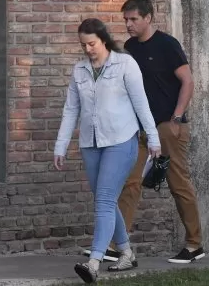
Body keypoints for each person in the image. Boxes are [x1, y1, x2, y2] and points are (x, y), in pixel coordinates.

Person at [54, 18, 162, 283]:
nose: (88, 49)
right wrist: (61, 145)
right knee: (105, 200)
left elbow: (141, 103)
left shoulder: (125, 64)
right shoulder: (79, 70)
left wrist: (154, 138)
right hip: (90, 144)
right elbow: (71, 110)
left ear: (103, 39)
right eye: (84, 45)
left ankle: (94, 261)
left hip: (121, 140)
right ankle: (126, 252)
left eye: (92, 43)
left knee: (103, 199)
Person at [104, 0, 204, 264]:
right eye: (126, 19)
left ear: (148, 18)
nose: (128, 24)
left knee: (178, 184)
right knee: (130, 182)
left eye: (133, 19)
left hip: (168, 125)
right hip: (140, 129)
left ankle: (194, 244)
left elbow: (188, 81)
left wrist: (177, 118)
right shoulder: (129, 47)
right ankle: (118, 244)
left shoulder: (167, 45)